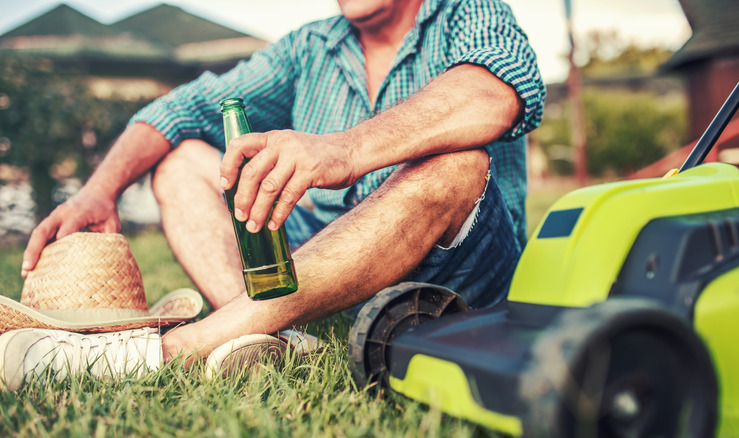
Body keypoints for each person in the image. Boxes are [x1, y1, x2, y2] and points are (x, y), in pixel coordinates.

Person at [3, 0, 544, 385]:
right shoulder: (311, 47)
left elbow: (493, 91)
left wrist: (344, 149)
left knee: (458, 164)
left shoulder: (469, 10)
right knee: (183, 159)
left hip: (458, 267)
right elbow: (182, 107)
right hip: (334, 252)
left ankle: (166, 352)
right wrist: (100, 190)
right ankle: (263, 337)